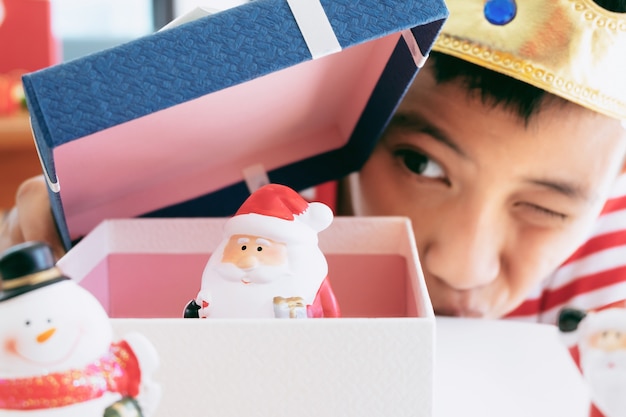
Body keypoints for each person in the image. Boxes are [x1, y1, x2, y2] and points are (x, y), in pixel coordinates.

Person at [1, 0, 625, 326]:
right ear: (355, 101)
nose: (463, 266)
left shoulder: (613, 280)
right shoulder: (249, 207)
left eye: (545, 207)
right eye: (419, 164)